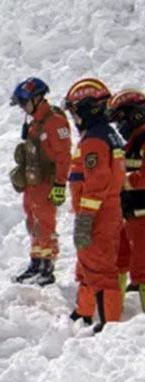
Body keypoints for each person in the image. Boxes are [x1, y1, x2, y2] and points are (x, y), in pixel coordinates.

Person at [63, 78, 127, 332]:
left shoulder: (94, 141)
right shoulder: (109, 135)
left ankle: (109, 325)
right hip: (107, 210)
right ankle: (84, 311)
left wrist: (86, 217)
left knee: (100, 270)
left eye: (75, 112)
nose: (74, 119)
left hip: (98, 213)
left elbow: (97, 181)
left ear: (87, 109)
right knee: (88, 265)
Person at [9, 77, 72, 285]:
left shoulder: (54, 122)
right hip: (33, 184)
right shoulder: (36, 120)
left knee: (45, 223)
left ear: (36, 98)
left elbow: (64, 157)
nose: (23, 108)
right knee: (33, 221)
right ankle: (36, 261)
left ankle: (47, 266)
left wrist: (60, 185)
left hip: (47, 182)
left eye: (24, 103)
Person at [108, 88, 145, 312]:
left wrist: (125, 181)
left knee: (142, 267)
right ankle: (113, 311)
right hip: (127, 213)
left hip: (142, 214)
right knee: (119, 260)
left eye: (120, 117)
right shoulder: (130, 141)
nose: (118, 124)